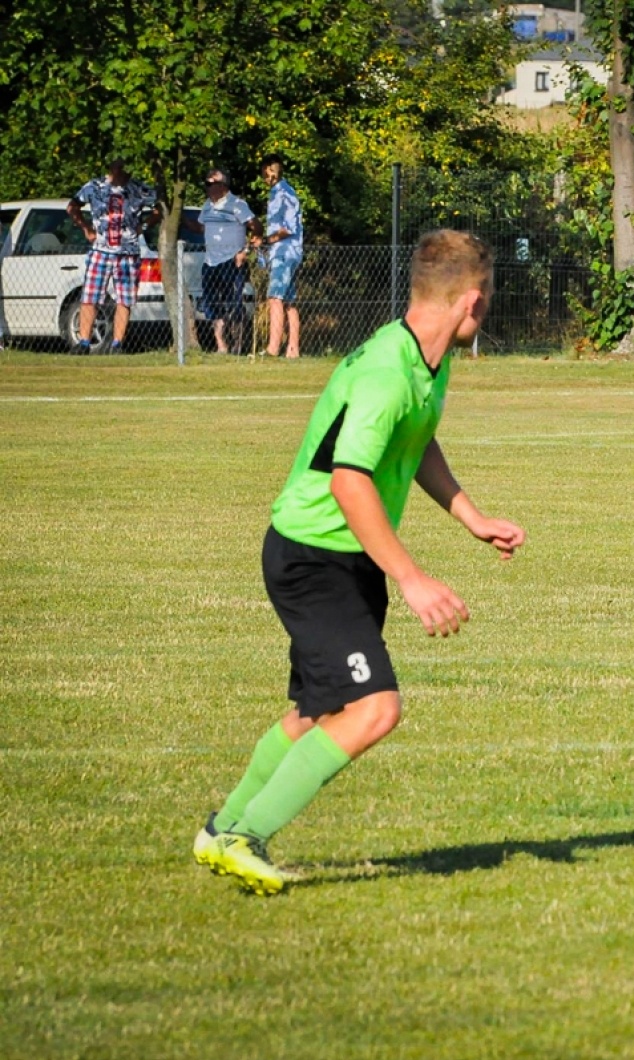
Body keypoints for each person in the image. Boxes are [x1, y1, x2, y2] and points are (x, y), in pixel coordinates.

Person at [193, 230, 526, 895]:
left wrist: (470, 515)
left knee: (316, 714)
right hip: (315, 554)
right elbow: (350, 480)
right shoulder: (383, 370)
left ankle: (219, 828)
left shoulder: (425, 361)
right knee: (375, 708)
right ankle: (242, 835)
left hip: (347, 556)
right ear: (473, 302)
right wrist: (412, 578)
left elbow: (416, 435)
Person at [67, 159, 162, 353]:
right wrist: (86, 228)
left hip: (128, 253)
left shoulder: (138, 188)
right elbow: (72, 206)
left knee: (125, 299)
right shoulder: (94, 187)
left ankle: (117, 343)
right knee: (90, 296)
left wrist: (143, 226)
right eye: (119, 166)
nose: (123, 171)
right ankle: (84, 341)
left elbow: (160, 207)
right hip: (101, 251)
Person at [183, 169, 261, 354]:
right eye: (206, 183)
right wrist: (181, 220)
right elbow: (202, 227)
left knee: (233, 303)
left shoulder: (237, 204)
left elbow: (255, 225)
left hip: (232, 261)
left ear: (223, 185)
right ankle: (221, 345)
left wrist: (246, 251)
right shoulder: (207, 205)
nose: (207, 187)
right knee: (212, 304)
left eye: (211, 184)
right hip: (210, 261)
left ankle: (237, 345)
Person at [251, 153, 303, 358]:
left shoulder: (284, 193)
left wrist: (265, 240)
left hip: (285, 252)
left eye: (268, 171)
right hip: (282, 252)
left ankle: (273, 348)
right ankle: (293, 349)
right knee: (289, 301)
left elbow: (288, 228)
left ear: (275, 170)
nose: (265, 177)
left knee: (275, 298)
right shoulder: (275, 193)